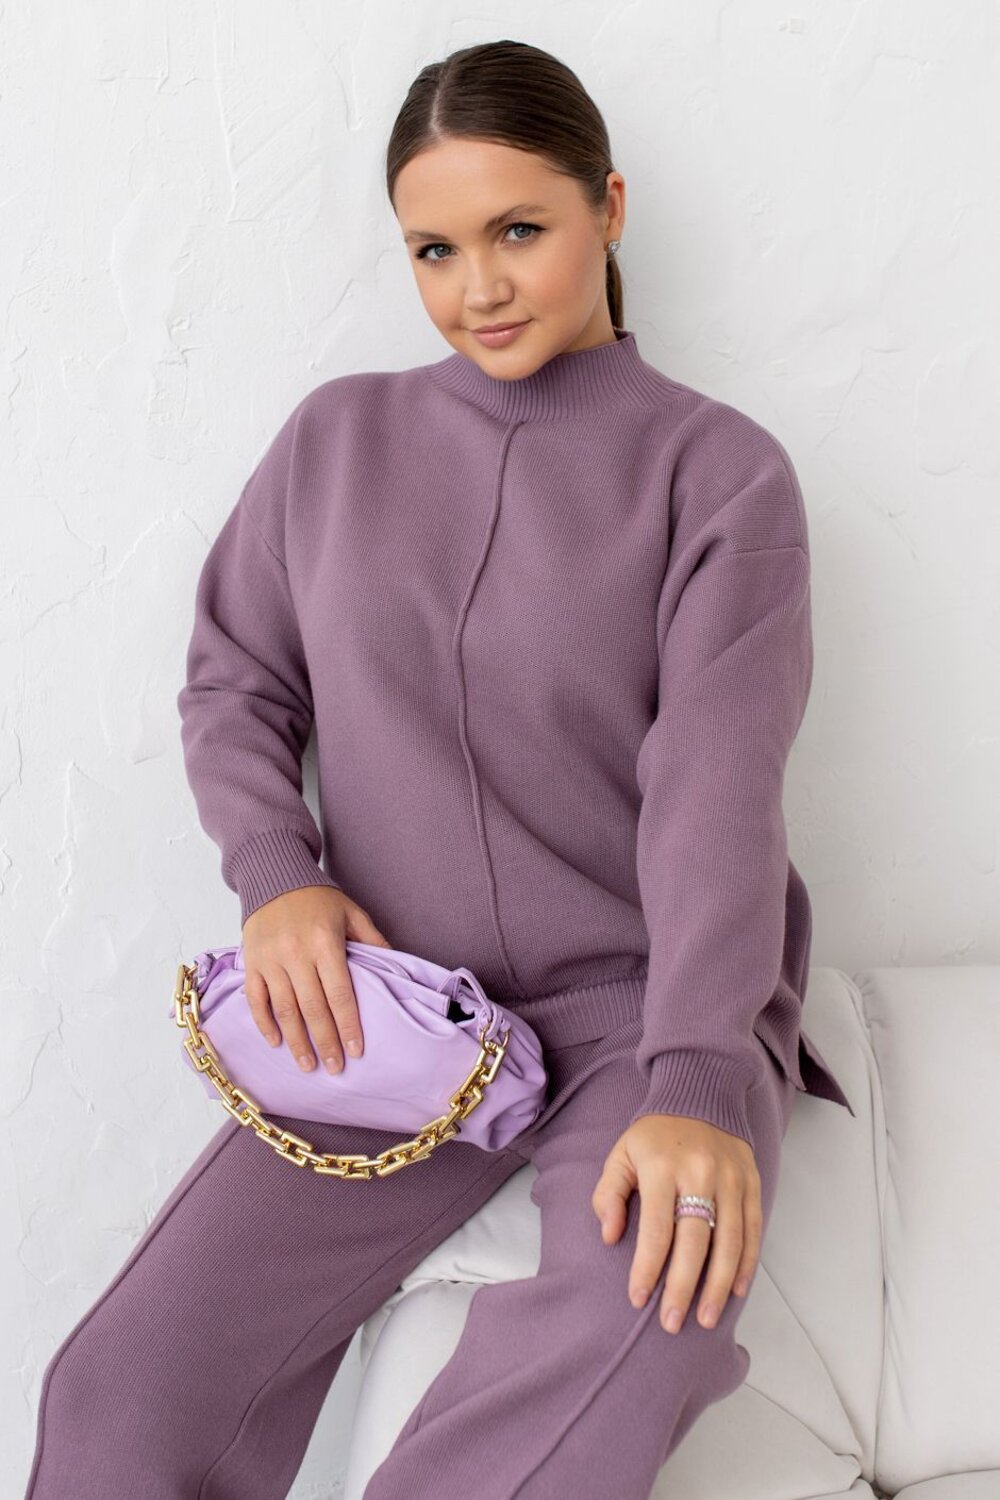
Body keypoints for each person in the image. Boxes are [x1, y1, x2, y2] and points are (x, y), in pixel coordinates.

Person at [22, 38, 854, 1500]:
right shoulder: (336, 442)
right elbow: (236, 680)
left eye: (519, 230)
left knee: (640, 1326)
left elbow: (718, 795)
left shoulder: (717, 475)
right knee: (124, 1387)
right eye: (435, 249)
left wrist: (701, 1077)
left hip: (641, 1011)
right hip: (393, 1011)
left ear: (607, 206)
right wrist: (278, 879)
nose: (480, 287)